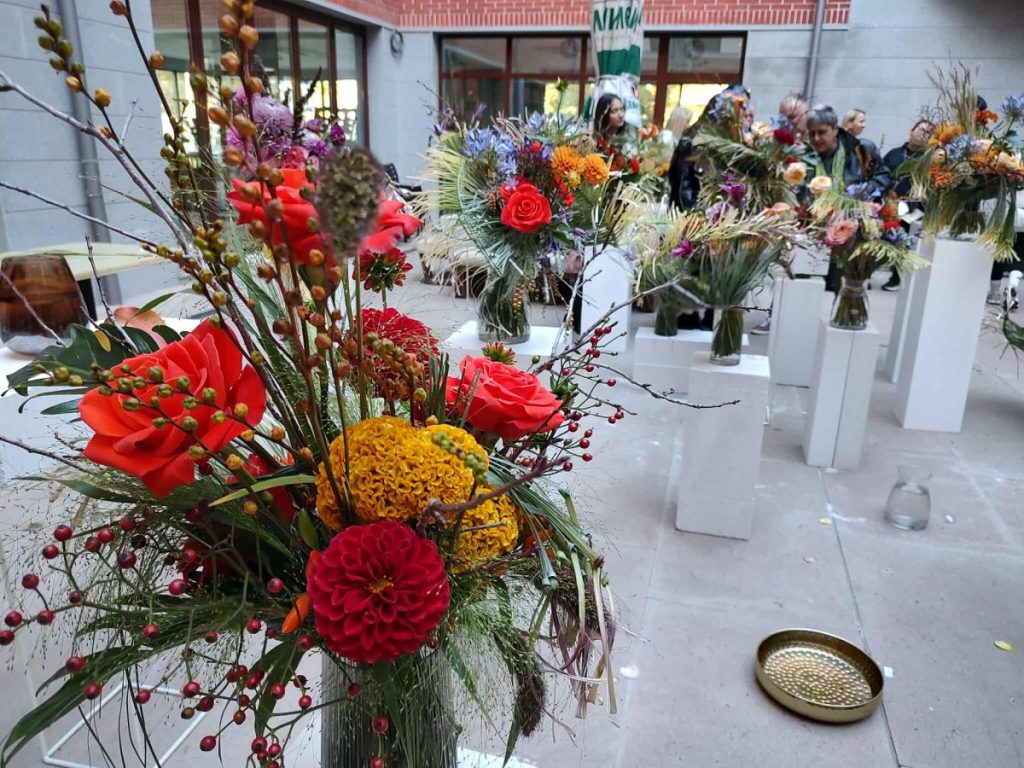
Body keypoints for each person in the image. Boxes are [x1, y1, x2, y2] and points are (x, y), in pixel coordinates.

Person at [806, 105, 892, 290]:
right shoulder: (807, 157)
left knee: (847, 287)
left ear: (835, 130)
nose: (816, 138)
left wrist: (860, 196)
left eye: (822, 132)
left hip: (851, 231)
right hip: (816, 232)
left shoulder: (861, 150)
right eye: (812, 134)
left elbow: (883, 177)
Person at [879, 119, 934, 290]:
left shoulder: (928, 159)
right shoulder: (894, 154)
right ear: (912, 130)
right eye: (921, 129)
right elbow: (882, 174)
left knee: (904, 241)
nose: (923, 134)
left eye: (928, 132)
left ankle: (897, 277)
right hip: (890, 203)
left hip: (914, 208)